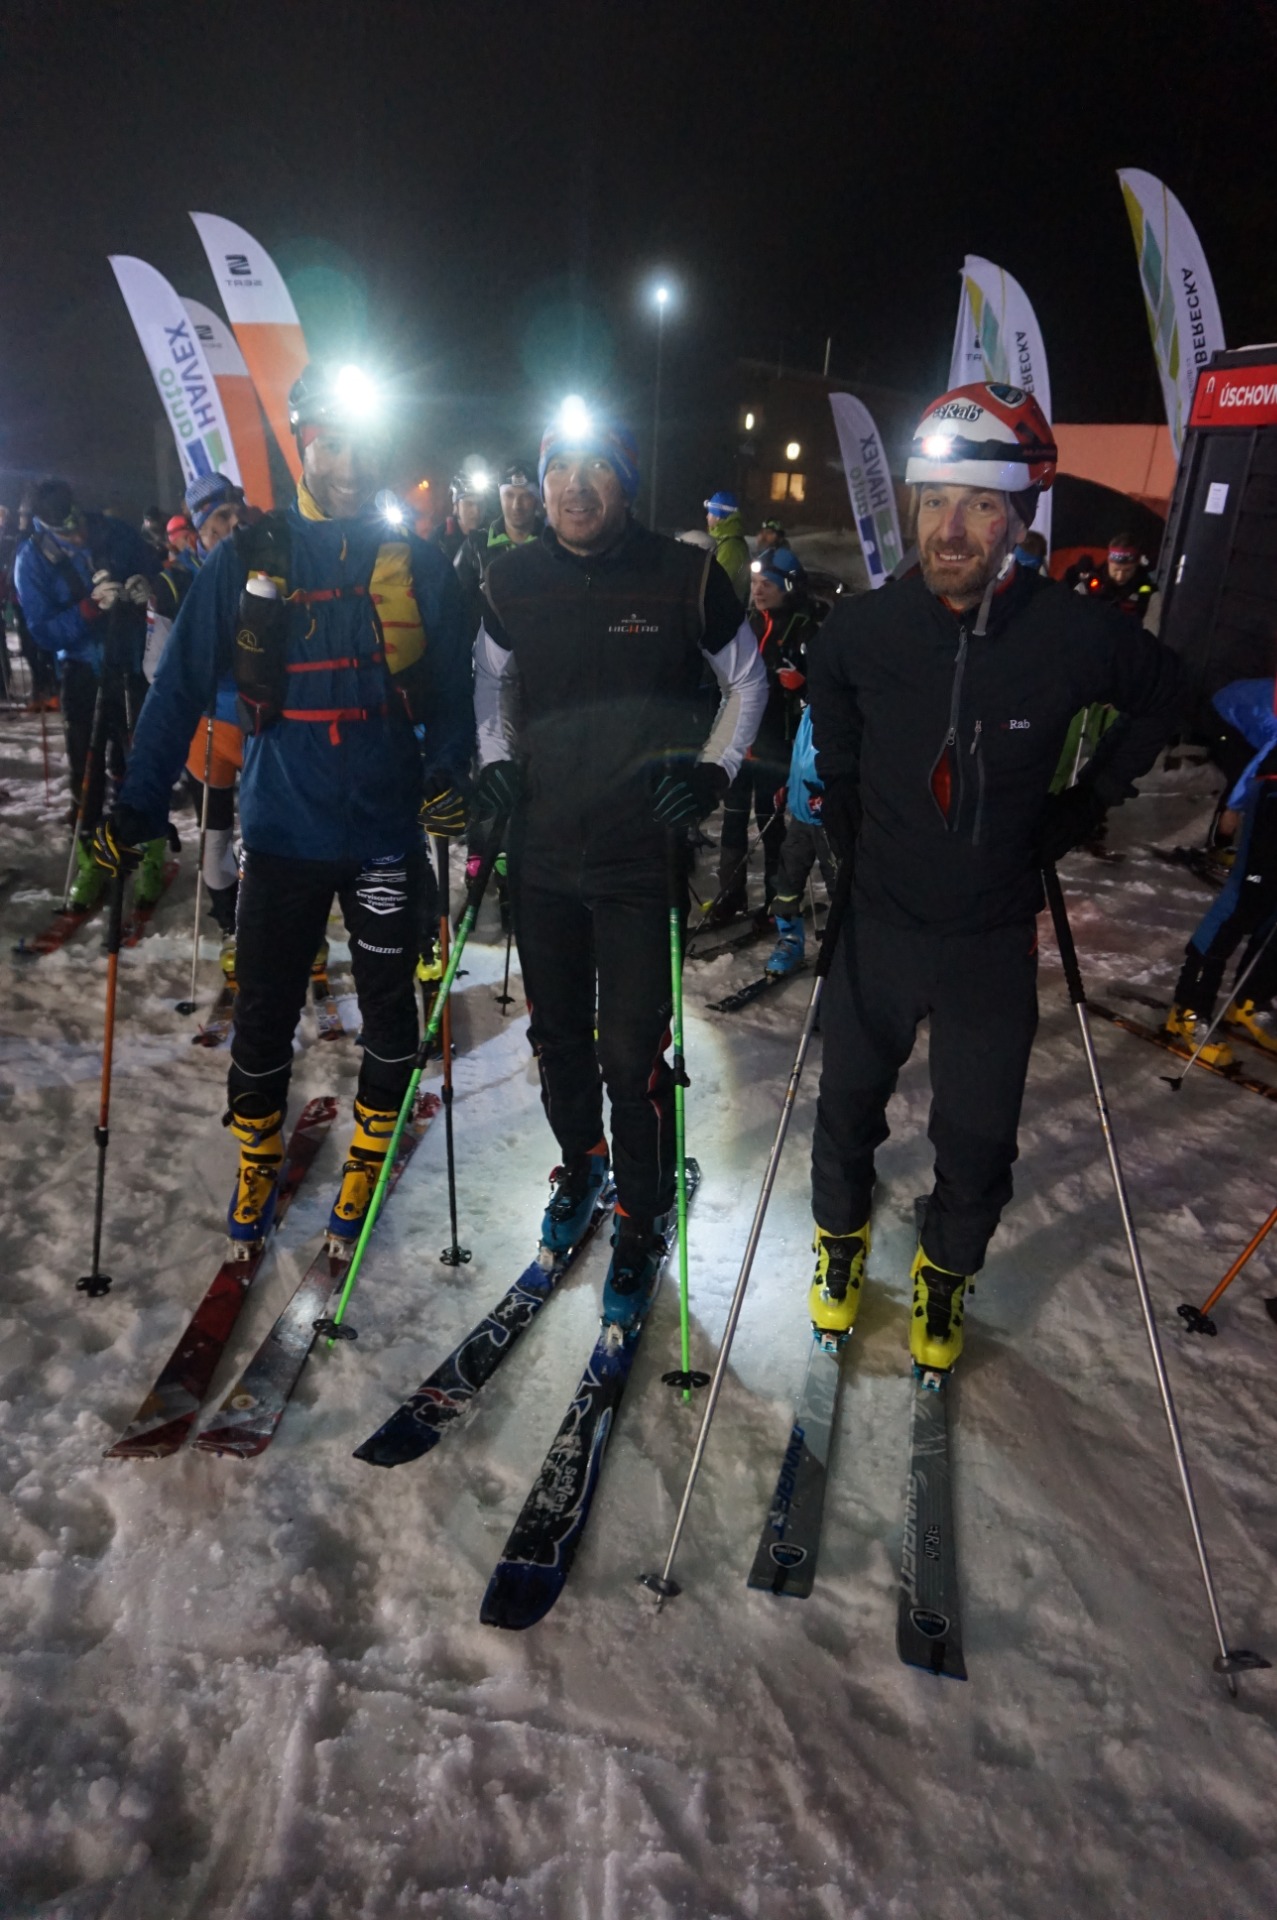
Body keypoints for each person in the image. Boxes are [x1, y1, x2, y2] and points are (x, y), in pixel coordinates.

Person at [807, 381, 1181, 1372]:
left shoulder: (1069, 632)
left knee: (975, 1140)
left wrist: (1086, 800)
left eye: (978, 505)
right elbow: (827, 679)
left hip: (987, 934)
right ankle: (838, 1244)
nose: (949, 528)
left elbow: (1165, 693)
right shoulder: (868, 626)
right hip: (877, 921)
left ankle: (944, 1272)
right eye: (933, 500)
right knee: (844, 1108)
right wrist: (838, 780)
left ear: (1017, 515)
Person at [98, 362, 473, 1256]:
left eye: (362, 444)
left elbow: (455, 688)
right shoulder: (248, 556)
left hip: (383, 833)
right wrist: (140, 801)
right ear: (303, 444)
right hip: (280, 832)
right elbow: (178, 685)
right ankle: (258, 1153)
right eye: (330, 444)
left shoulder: (417, 564)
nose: (349, 464)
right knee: (265, 1009)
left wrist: (448, 770)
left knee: (391, 1011)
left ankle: (369, 1152)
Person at [474, 402, 768, 1319]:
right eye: (558, 470)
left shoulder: (684, 575)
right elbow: (491, 679)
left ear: (625, 482)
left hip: (640, 856)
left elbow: (746, 679)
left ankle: (640, 1212)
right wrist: (495, 762)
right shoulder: (509, 577)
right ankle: (583, 1165)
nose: (574, 487)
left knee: (631, 1051)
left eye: (595, 468)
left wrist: (713, 772)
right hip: (543, 852)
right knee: (556, 1038)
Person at [13, 477, 162, 905]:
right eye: (65, 530)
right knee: (87, 771)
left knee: (140, 765)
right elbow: (42, 630)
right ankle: (92, 861)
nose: (77, 535)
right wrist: (88, 608)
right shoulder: (33, 559)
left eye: (77, 523)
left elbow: (157, 571)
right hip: (82, 671)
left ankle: (148, 853)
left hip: (131, 664)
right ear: (45, 525)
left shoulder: (115, 532)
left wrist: (148, 586)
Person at [146, 473, 246, 944]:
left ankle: (277, 923)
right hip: (207, 727)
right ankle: (230, 922)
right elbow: (156, 667)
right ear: (200, 529)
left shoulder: (265, 565)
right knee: (215, 838)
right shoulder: (174, 582)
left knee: (271, 834)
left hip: (261, 724)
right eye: (221, 517)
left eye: (237, 514)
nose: (233, 525)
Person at [1166, 677, 1277, 1063]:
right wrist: (1234, 807)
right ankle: (1188, 1009)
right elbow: (1266, 756)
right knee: (1241, 902)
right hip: (1270, 786)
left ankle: (1250, 1001)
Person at [709, 544, 818, 925]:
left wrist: (803, 684)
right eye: (754, 583)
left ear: (786, 587)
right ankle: (730, 894)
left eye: (766, 584)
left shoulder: (804, 628)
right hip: (741, 743)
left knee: (771, 823)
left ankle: (776, 899)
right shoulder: (747, 624)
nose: (757, 590)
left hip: (777, 744)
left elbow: (828, 690)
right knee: (733, 819)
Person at [763, 702, 836, 977]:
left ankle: (844, 943)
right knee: (787, 882)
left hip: (831, 821)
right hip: (800, 816)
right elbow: (801, 759)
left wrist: (834, 795)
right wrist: (789, 786)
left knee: (839, 884)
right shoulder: (808, 712)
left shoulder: (843, 706)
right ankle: (790, 941)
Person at [453, 460, 542, 640]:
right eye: (509, 495)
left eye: (525, 496)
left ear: (537, 499)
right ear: (500, 496)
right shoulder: (476, 547)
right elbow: (454, 606)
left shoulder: (554, 545)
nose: (516, 505)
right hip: (488, 650)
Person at [1076, 534, 1156, 622]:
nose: (1120, 576)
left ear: (1136, 565)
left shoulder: (1148, 590)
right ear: (1108, 562)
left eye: (1127, 570)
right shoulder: (1087, 585)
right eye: (1115, 570)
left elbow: (1151, 624)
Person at [433, 470, 491, 564]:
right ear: (456, 506)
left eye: (480, 504)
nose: (476, 511)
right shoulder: (440, 539)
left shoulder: (494, 535)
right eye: (469, 504)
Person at [704, 489, 751, 602]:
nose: (707, 516)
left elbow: (717, 583)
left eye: (710, 512)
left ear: (718, 516)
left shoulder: (731, 547)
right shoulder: (725, 541)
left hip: (727, 608)